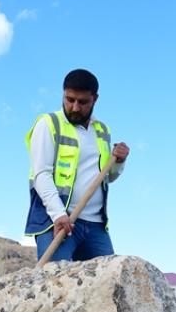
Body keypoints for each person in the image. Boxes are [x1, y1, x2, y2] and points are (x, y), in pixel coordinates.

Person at [24, 69, 130, 262]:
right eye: (69, 99)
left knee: (108, 286)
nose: (74, 107)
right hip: (57, 221)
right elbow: (41, 174)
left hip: (96, 225)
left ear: (95, 99)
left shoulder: (102, 131)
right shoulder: (49, 124)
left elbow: (108, 177)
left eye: (82, 102)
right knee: (56, 286)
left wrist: (120, 162)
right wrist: (58, 214)